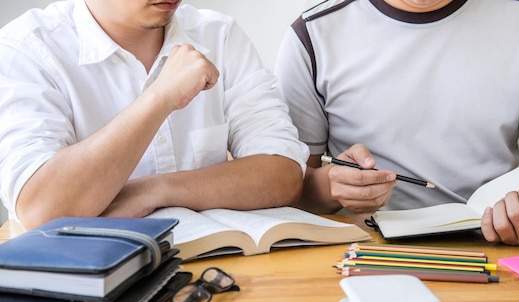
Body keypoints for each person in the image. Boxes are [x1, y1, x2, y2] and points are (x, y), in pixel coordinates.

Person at [274, 0, 519, 247]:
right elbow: (290, 187)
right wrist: (330, 187)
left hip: (499, 244)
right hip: (366, 247)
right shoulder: (313, 35)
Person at [0, 0, 310, 230]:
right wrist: (159, 97)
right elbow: (42, 208)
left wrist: (156, 190)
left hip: (217, 272)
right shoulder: (26, 49)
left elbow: (283, 175)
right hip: (85, 286)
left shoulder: (220, 34)